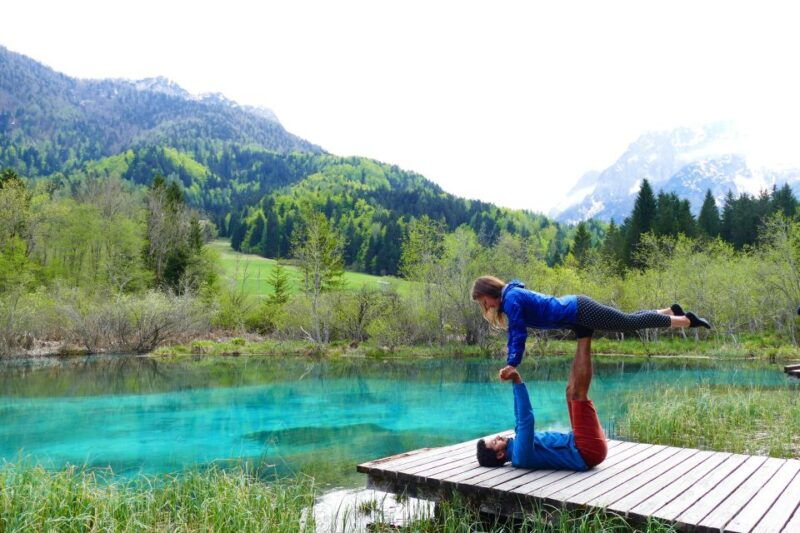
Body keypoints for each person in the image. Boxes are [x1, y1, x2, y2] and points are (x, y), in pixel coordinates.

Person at [471, 276, 711, 374]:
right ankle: (670, 311)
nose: (488, 306)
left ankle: (685, 320)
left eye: (485, 301)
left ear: (489, 292)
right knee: (626, 319)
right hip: (575, 316)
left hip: (579, 310)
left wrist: (512, 362)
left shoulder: (511, 298)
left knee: (627, 323)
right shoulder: (511, 297)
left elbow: (517, 332)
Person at [477, 337, 607, 470]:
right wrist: (517, 380)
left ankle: (582, 335)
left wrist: (514, 383)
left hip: (578, 442)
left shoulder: (517, 446)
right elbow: (525, 421)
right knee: (577, 394)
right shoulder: (520, 455)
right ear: (499, 454)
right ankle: (585, 335)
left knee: (570, 392)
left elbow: (518, 419)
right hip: (586, 451)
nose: (498, 436)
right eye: (495, 442)